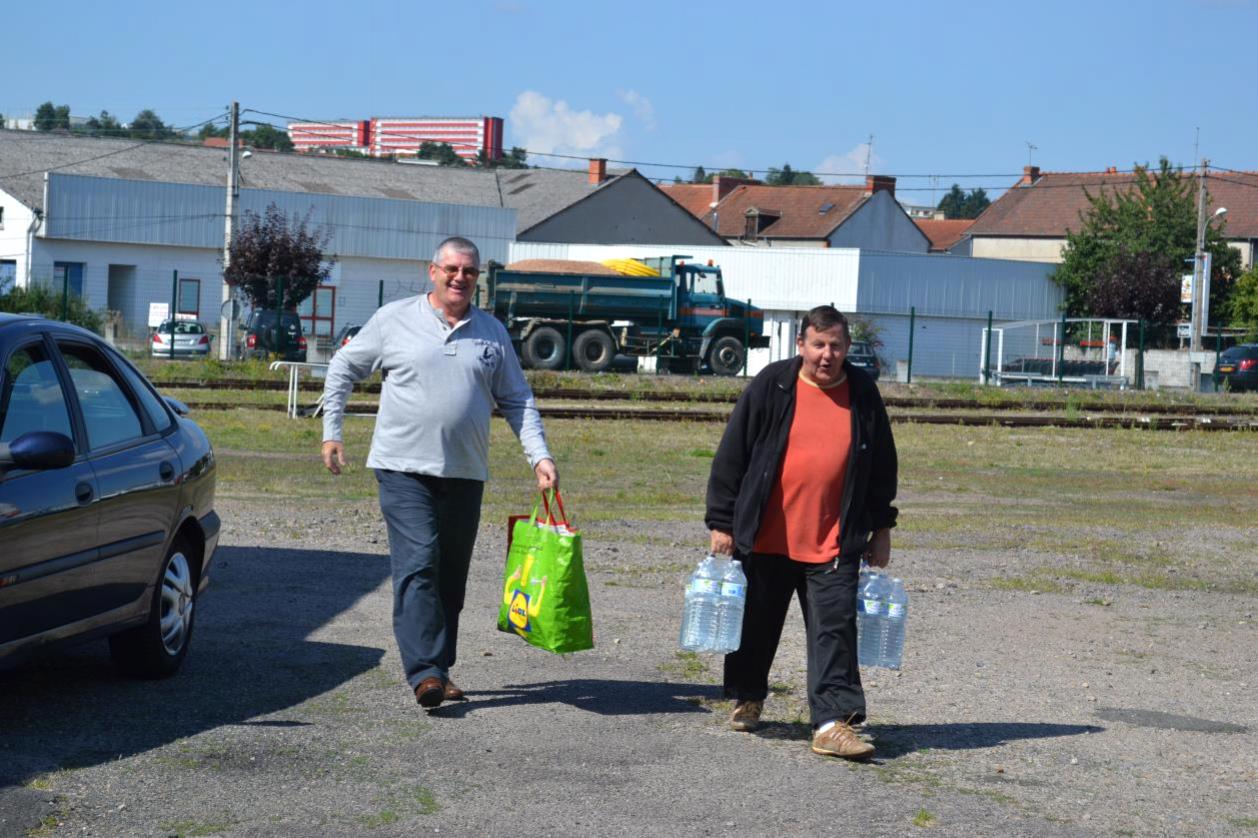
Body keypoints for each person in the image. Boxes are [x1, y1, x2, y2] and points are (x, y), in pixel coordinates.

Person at [321, 236, 557, 709]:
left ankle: (439, 667)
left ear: (476, 279)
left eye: (469, 272)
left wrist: (540, 456)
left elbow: (517, 400)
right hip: (402, 468)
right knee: (419, 563)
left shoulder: (491, 332)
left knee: (451, 574)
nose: (459, 278)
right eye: (451, 269)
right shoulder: (394, 319)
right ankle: (424, 672)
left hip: (465, 473)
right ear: (432, 271)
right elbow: (344, 367)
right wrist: (333, 431)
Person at [705, 305, 897, 760]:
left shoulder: (863, 392)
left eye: (835, 346)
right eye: (818, 345)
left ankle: (833, 723)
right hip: (767, 537)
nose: (826, 355)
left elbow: (881, 467)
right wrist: (721, 521)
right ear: (801, 345)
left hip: (834, 541)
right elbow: (732, 454)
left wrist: (881, 527)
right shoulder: (773, 384)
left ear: (847, 348)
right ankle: (748, 696)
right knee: (757, 626)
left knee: (835, 631)